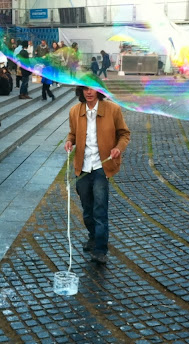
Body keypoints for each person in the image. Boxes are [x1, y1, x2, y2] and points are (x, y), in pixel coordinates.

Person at [64, 86, 131, 264]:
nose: (89, 92)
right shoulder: (74, 111)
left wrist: (118, 148)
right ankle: (93, 237)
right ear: (80, 91)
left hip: (102, 165)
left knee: (99, 209)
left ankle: (100, 249)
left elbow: (124, 134)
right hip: (83, 167)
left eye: (92, 88)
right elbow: (72, 133)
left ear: (98, 90)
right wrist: (69, 141)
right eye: (85, 89)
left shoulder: (113, 109)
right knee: (87, 209)